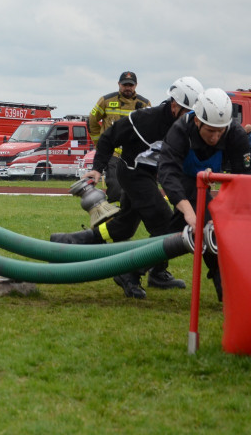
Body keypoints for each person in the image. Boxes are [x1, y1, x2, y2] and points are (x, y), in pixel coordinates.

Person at [51, 77, 204, 299]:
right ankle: (131, 274)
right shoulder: (145, 119)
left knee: (123, 228)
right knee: (164, 224)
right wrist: (97, 169)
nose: (193, 119)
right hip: (133, 174)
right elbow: (108, 138)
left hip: (149, 175)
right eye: (189, 112)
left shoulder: (187, 124)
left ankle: (66, 242)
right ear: (174, 105)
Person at [158, 87, 251, 301]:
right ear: (198, 121)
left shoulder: (235, 134)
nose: (216, 137)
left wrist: (234, 211)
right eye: (210, 131)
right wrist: (188, 212)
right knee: (206, 226)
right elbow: (167, 173)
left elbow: (244, 177)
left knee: (175, 230)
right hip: (184, 178)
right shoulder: (180, 130)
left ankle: (135, 270)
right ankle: (226, 291)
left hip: (207, 181)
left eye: (221, 131)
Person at [88, 71, 151, 202]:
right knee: (115, 189)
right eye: (125, 85)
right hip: (113, 155)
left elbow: (150, 130)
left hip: (135, 157)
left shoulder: (144, 104)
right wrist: (100, 145)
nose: (128, 88)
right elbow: (92, 122)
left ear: (136, 86)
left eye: (131, 85)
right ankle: (113, 216)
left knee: (134, 191)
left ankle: (125, 218)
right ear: (119, 84)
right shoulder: (105, 101)